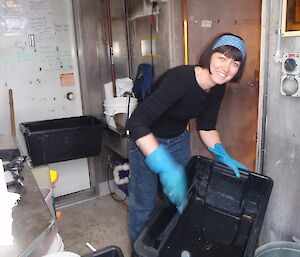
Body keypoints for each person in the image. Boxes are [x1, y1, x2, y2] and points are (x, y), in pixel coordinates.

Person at [127, 33, 248, 252]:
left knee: (180, 201)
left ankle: (168, 247)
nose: (226, 67)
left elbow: (207, 126)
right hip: (146, 142)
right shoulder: (180, 79)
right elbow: (136, 122)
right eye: (222, 58)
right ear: (210, 55)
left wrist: (223, 155)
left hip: (177, 140)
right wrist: (163, 163)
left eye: (235, 63)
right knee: (144, 207)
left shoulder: (218, 86)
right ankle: (139, 253)